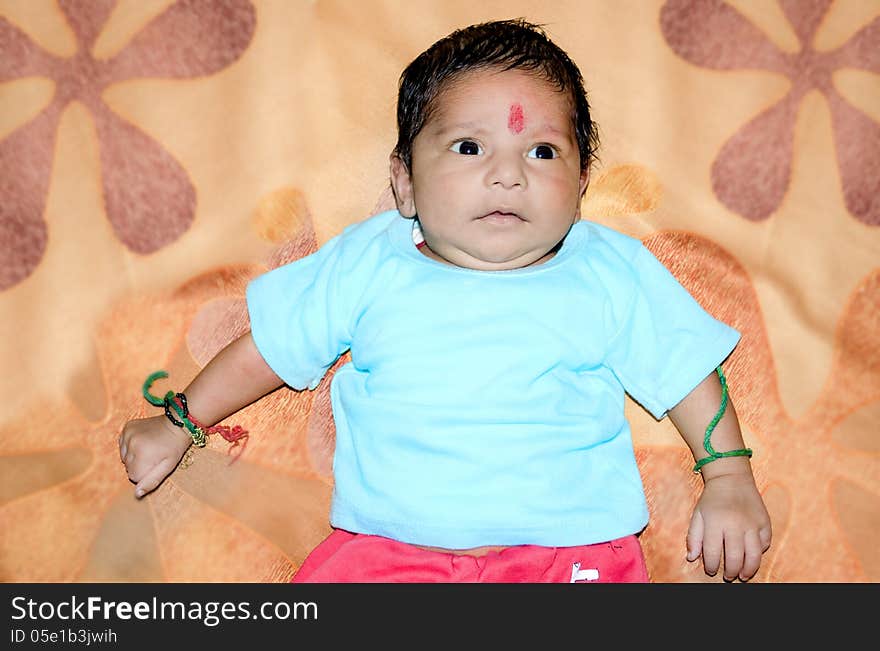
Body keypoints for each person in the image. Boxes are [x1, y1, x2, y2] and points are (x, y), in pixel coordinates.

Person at [119, 18, 771, 583]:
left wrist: (728, 478)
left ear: (581, 185)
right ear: (403, 181)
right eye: (469, 146)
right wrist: (180, 422)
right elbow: (270, 347)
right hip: (385, 555)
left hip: (571, 557)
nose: (508, 172)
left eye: (542, 150)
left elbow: (687, 369)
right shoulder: (370, 261)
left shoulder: (605, 270)